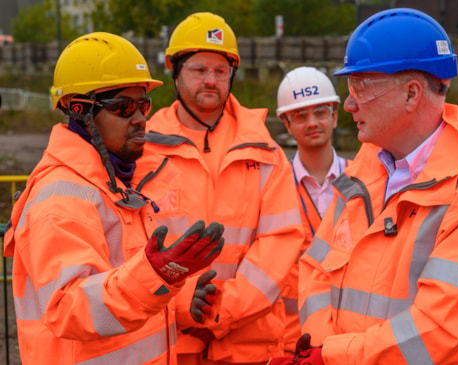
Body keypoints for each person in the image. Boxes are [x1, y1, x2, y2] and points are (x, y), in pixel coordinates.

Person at [269, 7, 458, 365]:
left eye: (361, 87)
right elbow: (315, 270)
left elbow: (436, 331)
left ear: (411, 94)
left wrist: (331, 357)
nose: (350, 103)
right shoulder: (364, 170)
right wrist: (324, 351)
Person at [3, 32, 225, 364]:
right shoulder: (60, 199)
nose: (140, 118)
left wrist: (176, 295)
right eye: (123, 107)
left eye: (143, 105)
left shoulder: (113, 186)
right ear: (81, 112)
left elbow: (120, 281)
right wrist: (157, 276)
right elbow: (69, 308)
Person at [140, 12, 305, 365]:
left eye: (220, 71)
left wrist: (220, 311)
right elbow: (130, 247)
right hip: (169, 342)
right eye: (199, 70)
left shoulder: (266, 153)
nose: (211, 80)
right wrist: (184, 307)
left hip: (248, 345)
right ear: (175, 71)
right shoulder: (144, 151)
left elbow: (281, 241)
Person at [275, 66, 348, 354]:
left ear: (335, 116)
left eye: (320, 112)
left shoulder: (363, 183)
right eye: (300, 115)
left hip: (348, 338)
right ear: (287, 124)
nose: (312, 122)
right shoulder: (273, 187)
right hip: (291, 341)